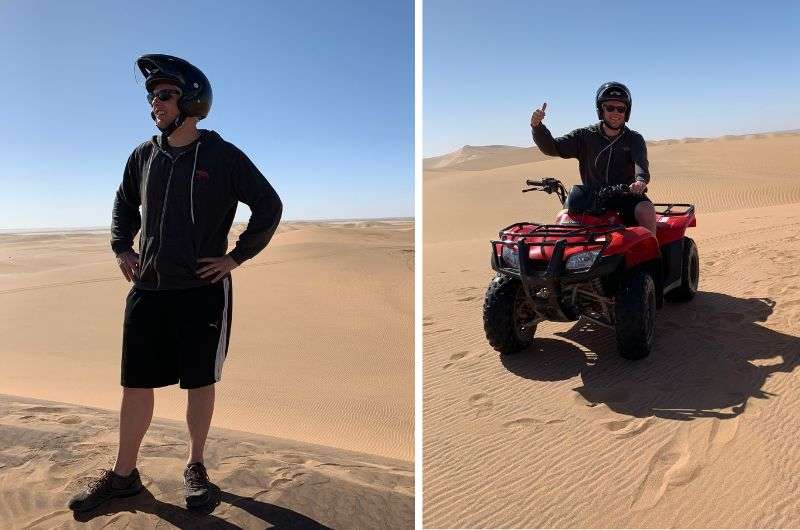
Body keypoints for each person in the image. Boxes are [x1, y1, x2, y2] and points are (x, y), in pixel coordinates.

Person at [68, 54, 283, 512]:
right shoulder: (143, 156)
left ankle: (196, 467)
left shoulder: (222, 155)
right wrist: (120, 246)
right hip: (147, 289)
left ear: (191, 99)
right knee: (134, 385)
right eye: (151, 97)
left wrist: (235, 257)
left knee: (199, 382)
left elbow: (268, 205)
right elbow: (124, 203)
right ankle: (124, 476)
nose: (154, 104)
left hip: (202, 291)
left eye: (164, 95)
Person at [530, 81, 656, 234]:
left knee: (646, 210)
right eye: (609, 108)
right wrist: (537, 127)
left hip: (627, 195)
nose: (615, 112)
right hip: (592, 196)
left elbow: (640, 162)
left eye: (621, 109)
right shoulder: (584, 136)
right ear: (601, 109)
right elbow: (553, 148)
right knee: (563, 219)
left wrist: (640, 181)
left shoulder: (634, 139)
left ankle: (652, 256)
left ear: (626, 112)